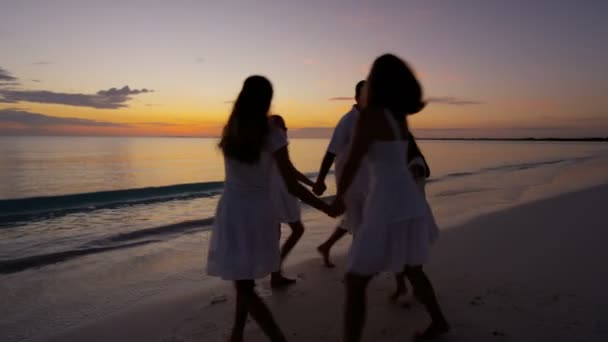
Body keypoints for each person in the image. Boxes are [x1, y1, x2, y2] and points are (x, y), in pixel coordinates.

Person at [329, 54, 449, 342]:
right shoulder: (399, 116)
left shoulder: (370, 116)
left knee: (356, 281)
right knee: (412, 268)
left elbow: (354, 160)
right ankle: (440, 322)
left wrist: (338, 198)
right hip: (408, 198)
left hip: (387, 201)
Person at [207, 75, 333, 342]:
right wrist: (325, 207)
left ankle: (254, 336)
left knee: (243, 283)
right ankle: (239, 334)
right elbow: (291, 184)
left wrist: (325, 207)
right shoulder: (272, 133)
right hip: (259, 212)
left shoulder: (232, 128)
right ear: (266, 100)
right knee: (245, 283)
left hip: (232, 210)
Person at [313, 80, 368, 268]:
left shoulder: (372, 121)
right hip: (350, 182)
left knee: (356, 220)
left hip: (368, 181)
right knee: (361, 226)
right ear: (357, 98)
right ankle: (356, 270)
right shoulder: (348, 121)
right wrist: (320, 180)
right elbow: (331, 152)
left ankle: (327, 247)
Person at [269, 114, 315, 288]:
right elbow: (290, 170)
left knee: (277, 233)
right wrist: (312, 185)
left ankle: (275, 273)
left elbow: (289, 169)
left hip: (272, 191)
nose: (285, 130)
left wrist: (311, 183)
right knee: (297, 229)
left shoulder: (267, 143)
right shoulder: (276, 140)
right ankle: (276, 271)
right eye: (283, 127)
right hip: (282, 189)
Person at [391, 132, 434, 301]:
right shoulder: (409, 162)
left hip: (412, 215)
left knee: (411, 260)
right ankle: (404, 287)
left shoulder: (415, 164)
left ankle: (416, 289)